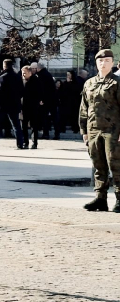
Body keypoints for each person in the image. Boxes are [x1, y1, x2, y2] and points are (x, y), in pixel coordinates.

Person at [81, 49, 120, 211]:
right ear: (96, 63)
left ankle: (119, 199)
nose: (103, 64)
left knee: (116, 165)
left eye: (107, 61)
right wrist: (84, 131)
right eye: (100, 61)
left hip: (113, 131)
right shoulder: (89, 83)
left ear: (112, 63)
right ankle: (100, 198)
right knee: (98, 165)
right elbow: (84, 108)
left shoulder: (117, 83)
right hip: (94, 130)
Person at [0, 58, 26, 150]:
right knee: (16, 125)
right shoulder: (17, 76)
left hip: (2, 105)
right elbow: (22, 91)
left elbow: (1, 94)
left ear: (4, 66)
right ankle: (20, 144)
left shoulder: (3, 77)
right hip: (14, 104)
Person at [21, 65, 44, 149]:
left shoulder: (36, 80)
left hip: (33, 106)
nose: (23, 75)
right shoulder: (21, 81)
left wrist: (39, 101)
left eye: (25, 73)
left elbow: (40, 92)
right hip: (23, 106)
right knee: (23, 125)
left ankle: (34, 143)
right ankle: (25, 142)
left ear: (30, 73)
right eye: (22, 73)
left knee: (34, 125)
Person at [32, 62, 57, 139]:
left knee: (45, 117)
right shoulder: (47, 74)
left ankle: (46, 133)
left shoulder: (41, 75)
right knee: (54, 117)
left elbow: (43, 89)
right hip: (52, 99)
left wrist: (42, 99)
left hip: (46, 100)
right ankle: (56, 133)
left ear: (38, 68)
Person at [59, 70, 84, 135]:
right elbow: (63, 92)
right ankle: (62, 129)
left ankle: (75, 128)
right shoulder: (65, 83)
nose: (68, 76)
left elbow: (76, 91)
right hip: (66, 102)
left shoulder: (76, 83)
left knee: (74, 116)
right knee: (64, 116)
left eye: (69, 75)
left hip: (74, 103)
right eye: (67, 75)